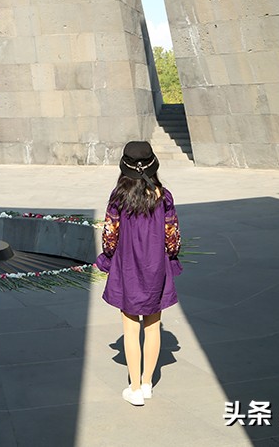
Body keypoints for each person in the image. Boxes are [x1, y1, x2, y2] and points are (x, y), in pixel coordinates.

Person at [100, 141, 182, 407]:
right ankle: (147, 384)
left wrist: (108, 257)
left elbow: (109, 236)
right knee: (153, 325)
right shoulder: (163, 196)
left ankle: (134, 387)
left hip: (128, 267)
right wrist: (171, 256)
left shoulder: (118, 197)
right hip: (155, 267)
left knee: (130, 328)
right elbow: (172, 237)